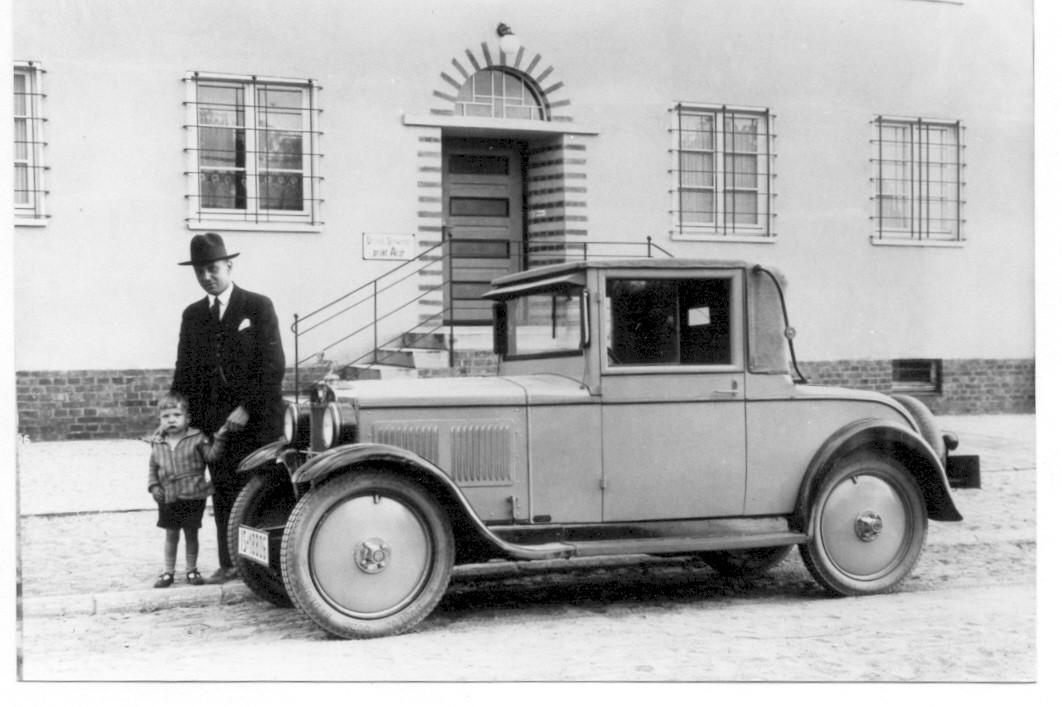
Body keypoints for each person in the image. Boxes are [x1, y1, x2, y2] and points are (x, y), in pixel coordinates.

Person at [171, 233, 285, 584]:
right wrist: (175, 420)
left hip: (259, 421)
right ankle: (230, 562)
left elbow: (274, 365)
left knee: (261, 491)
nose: (207, 276)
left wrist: (247, 408)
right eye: (201, 271)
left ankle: (267, 568)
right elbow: (184, 371)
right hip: (213, 426)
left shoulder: (257, 306)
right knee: (223, 493)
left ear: (229, 267)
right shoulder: (193, 315)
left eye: (214, 268)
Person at [147, 392, 229, 588]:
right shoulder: (158, 442)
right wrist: (154, 486)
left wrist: (219, 439)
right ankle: (168, 572)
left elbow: (211, 457)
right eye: (166, 417)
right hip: (168, 495)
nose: (171, 420)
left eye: (176, 415)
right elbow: (153, 467)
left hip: (193, 494)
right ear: (160, 420)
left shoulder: (197, 438)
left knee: (191, 534)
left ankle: (191, 570)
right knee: (171, 534)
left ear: (187, 418)